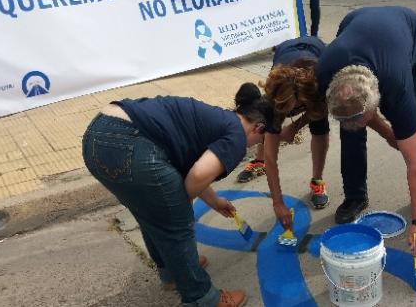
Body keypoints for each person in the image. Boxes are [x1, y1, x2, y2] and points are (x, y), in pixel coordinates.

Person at [82, 83, 273, 307]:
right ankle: (202, 298)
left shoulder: (219, 118)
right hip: (131, 144)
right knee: (176, 224)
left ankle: (172, 272)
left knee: (150, 213)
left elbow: (192, 170)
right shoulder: (236, 137)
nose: (255, 145)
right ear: (258, 128)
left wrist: (214, 201)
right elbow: (196, 178)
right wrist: (179, 209)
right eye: (260, 140)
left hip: (97, 134)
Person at [316, 6, 416, 260]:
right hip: (355, 22)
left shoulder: (396, 85)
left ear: (378, 101)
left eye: (366, 117)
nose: (361, 122)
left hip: (409, 31)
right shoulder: (325, 71)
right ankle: (355, 196)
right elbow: (355, 115)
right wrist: (387, 133)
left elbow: (415, 161)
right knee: (350, 131)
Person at [237, 36, 330, 228]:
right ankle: (258, 161)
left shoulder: (319, 82)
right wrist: (277, 202)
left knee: (319, 128)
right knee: (269, 126)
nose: (287, 113)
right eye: (283, 109)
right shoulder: (275, 92)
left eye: (292, 108)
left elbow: (321, 108)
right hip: (285, 53)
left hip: (315, 52)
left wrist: (295, 126)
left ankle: (317, 180)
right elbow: (274, 157)